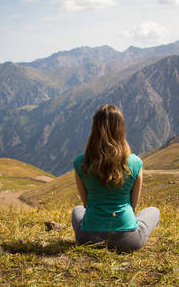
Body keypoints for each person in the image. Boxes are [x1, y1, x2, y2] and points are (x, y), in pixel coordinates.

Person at [71, 104, 160, 253]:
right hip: (127, 240)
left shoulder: (81, 162)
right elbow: (133, 206)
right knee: (154, 211)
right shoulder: (135, 162)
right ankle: (126, 225)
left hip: (88, 238)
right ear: (121, 129)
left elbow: (86, 204)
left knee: (77, 209)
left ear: (95, 129)